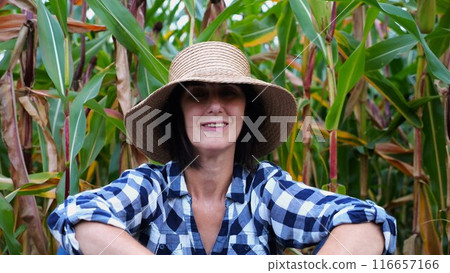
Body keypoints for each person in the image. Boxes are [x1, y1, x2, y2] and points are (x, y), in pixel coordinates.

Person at [48, 41, 396, 255]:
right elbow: (76, 215)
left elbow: (368, 224)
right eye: (198, 94)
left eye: (229, 93)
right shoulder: (150, 187)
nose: (215, 106)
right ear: (177, 114)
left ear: (247, 113)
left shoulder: (266, 190)